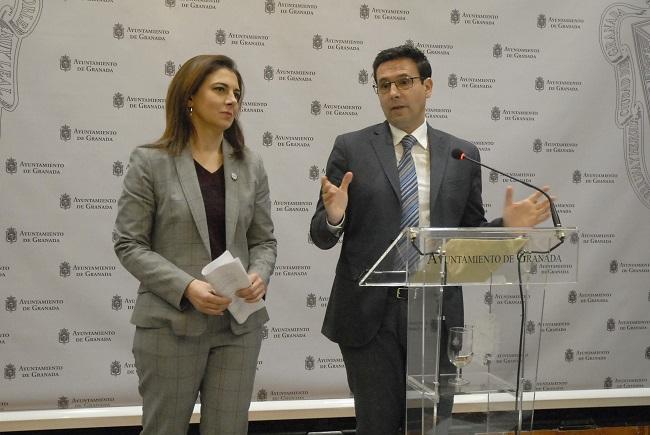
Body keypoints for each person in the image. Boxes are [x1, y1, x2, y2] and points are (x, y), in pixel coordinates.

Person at [310, 45, 552, 435]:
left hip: (437, 313)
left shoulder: (461, 155)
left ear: (428, 86)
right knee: (377, 425)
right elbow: (320, 234)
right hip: (370, 316)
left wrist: (506, 226)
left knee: (432, 426)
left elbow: (468, 239)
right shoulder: (351, 148)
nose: (393, 92)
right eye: (384, 85)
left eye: (404, 82)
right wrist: (335, 216)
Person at [114, 54, 277, 435]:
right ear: (189, 97)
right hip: (171, 325)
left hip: (237, 326)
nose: (231, 100)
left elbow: (264, 241)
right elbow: (129, 243)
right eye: (220, 89)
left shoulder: (251, 165)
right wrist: (187, 287)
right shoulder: (150, 162)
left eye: (236, 93)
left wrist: (259, 274)